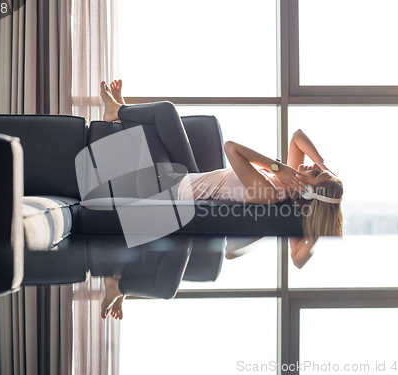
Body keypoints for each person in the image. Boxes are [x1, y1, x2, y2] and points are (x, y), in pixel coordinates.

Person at [99, 79, 343, 319]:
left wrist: (280, 171)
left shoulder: (269, 191)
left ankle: (118, 288)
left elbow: (231, 148)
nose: (311, 165)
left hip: (171, 188)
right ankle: (121, 110)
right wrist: (323, 165)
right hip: (188, 177)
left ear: (307, 192)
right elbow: (297, 136)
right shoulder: (287, 185)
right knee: (166, 111)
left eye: (316, 173)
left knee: (164, 111)